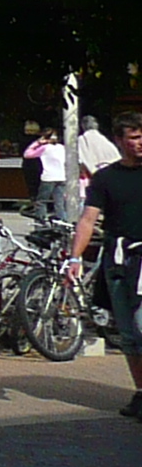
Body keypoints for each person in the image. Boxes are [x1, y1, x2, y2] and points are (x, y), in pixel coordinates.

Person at [68, 113, 142, 419]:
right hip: (119, 262)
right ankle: (141, 392)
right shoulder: (106, 178)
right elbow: (88, 219)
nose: (140, 144)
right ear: (119, 141)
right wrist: (75, 258)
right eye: (134, 138)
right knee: (127, 334)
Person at [25, 123, 71, 225]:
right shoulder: (62, 148)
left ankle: (41, 222)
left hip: (48, 177)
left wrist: (38, 142)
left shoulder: (44, 148)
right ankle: (62, 221)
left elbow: (27, 154)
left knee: (41, 201)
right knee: (59, 202)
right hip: (61, 176)